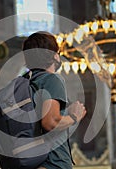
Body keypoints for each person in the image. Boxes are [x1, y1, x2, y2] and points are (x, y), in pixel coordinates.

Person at [22, 31, 87, 169]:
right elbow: (50, 122)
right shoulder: (52, 79)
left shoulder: (25, 82)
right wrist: (74, 116)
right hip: (52, 164)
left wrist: (64, 112)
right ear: (54, 56)